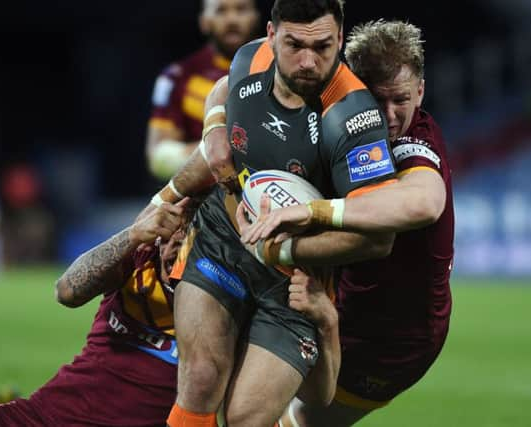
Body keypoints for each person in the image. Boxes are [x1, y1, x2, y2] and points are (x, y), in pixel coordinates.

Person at [144, 1, 402, 425]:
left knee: (248, 417)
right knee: (202, 379)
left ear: (339, 39)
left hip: (294, 281)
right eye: (293, 44)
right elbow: (223, 89)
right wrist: (213, 128)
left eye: (322, 47)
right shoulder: (251, 56)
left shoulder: (354, 119)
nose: (307, 61)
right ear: (271, 34)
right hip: (222, 239)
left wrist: (279, 252)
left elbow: (379, 237)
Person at [239, 20, 454, 427]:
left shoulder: (413, 146)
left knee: (288, 421)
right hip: (336, 304)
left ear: (421, 92)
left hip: (392, 340)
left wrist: (311, 217)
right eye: (376, 101)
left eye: (401, 100)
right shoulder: (336, 119)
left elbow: (425, 203)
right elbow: (241, 77)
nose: (390, 116)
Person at [0, 199, 191, 426]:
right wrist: (133, 235)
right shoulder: (138, 260)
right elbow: (66, 291)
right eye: (168, 240)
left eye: (185, 243)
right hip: (48, 415)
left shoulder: (218, 302)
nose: (172, 252)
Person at [145, 0, 260, 180]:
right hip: (203, 197)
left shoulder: (280, 69)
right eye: (221, 11)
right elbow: (159, 158)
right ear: (204, 21)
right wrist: (221, 146)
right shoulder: (177, 77)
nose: (232, 19)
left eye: (241, 9)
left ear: (256, 18)